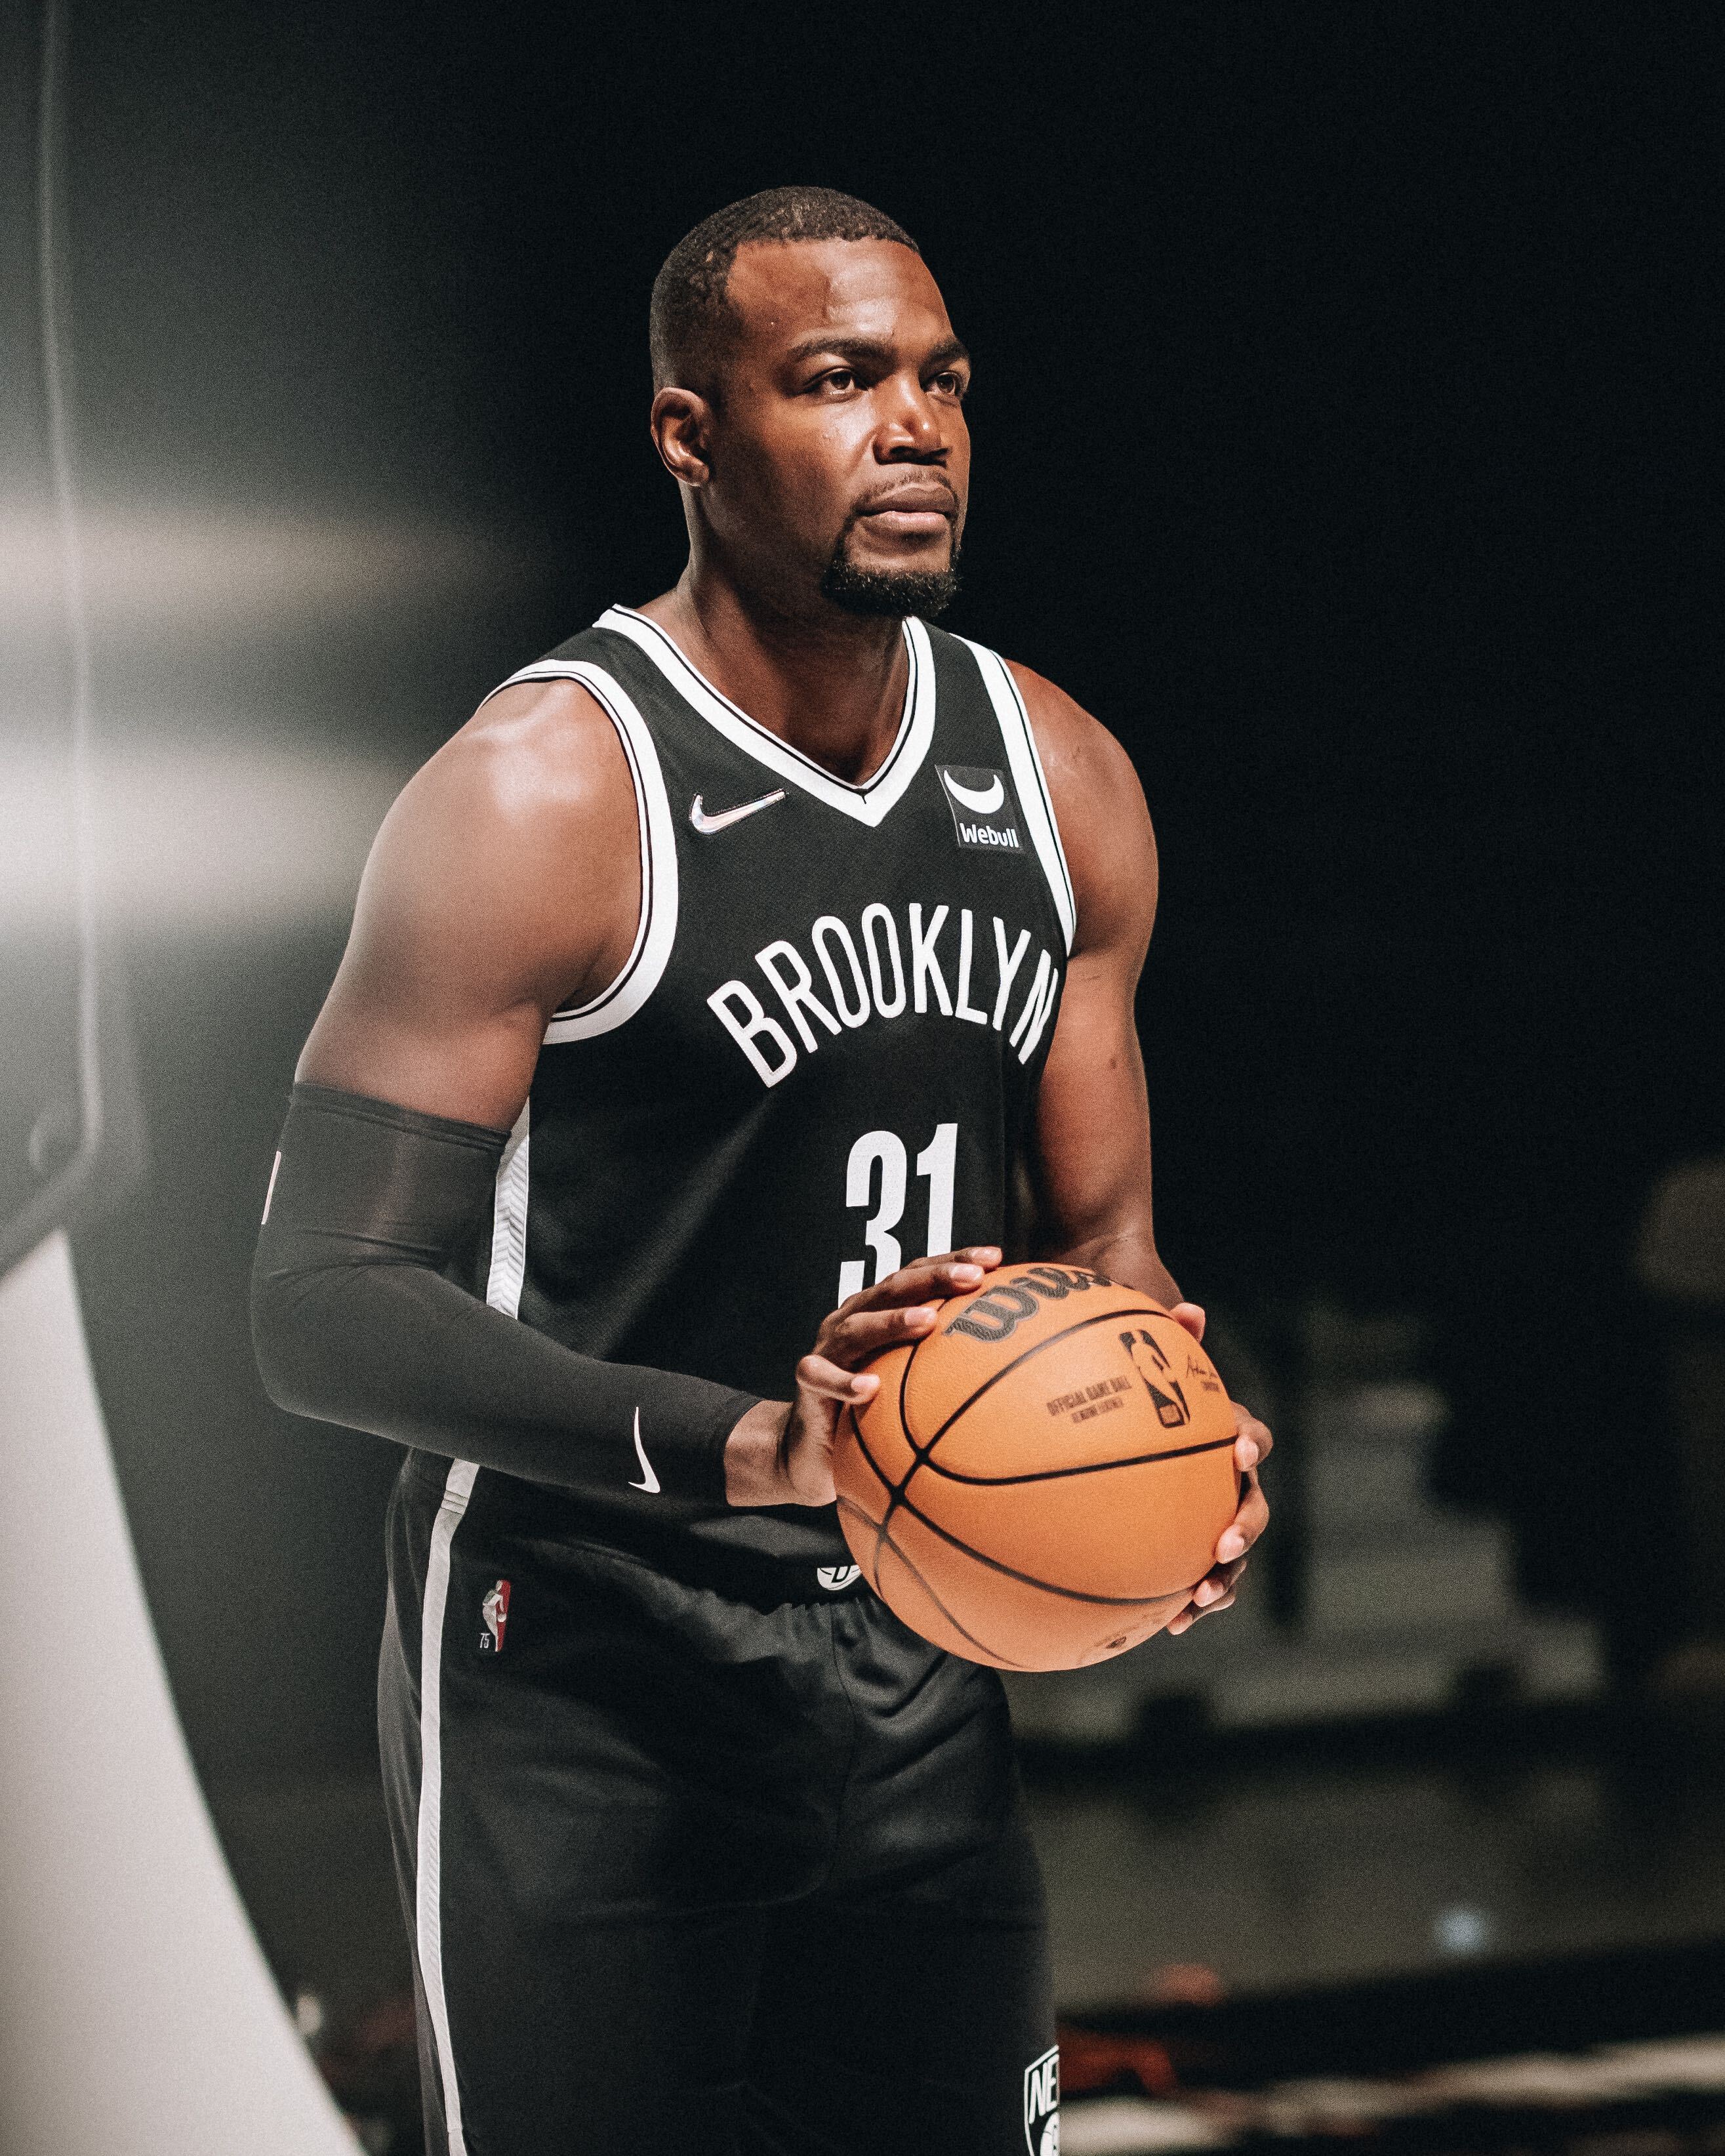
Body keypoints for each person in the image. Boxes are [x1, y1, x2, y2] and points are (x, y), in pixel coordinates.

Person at [253, 186, 1272, 2156]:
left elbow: (1110, 1250)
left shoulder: (1062, 781)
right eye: (839, 380)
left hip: (913, 1657)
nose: (916, 426)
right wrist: (746, 1445)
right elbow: (318, 1306)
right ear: (688, 435)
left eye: (941, 381)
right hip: (586, 1668)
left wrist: (1177, 1449)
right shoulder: (544, 795)